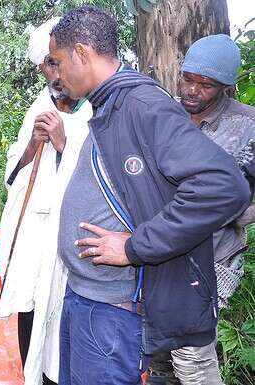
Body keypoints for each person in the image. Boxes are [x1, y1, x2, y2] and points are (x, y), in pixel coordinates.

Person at [48, 6, 250, 385]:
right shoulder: (111, 104)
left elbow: (224, 186)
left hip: (118, 301)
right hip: (87, 294)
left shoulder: (141, 105)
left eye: (58, 62)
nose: (56, 74)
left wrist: (135, 246)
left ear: (81, 53)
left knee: (191, 367)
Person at [0, 17, 92, 385]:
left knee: (60, 317)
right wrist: (35, 144)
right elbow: (15, 169)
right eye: (46, 67)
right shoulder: (40, 104)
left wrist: (62, 143)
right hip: (32, 237)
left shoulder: (95, 109)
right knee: (29, 305)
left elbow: (95, 172)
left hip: (67, 238)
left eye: (57, 64)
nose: (53, 75)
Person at [165, 34, 255, 385]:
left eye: (205, 85)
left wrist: (236, 216)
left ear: (226, 87)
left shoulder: (247, 125)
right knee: (158, 348)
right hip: (162, 250)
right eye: (188, 79)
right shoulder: (165, 114)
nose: (192, 90)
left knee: (191, 351)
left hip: (214, 256)